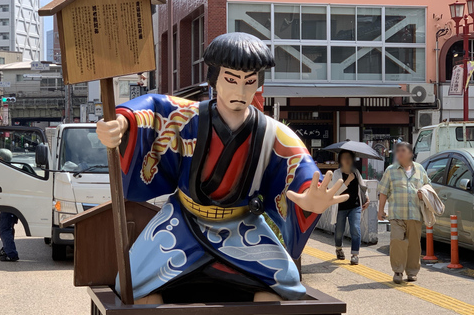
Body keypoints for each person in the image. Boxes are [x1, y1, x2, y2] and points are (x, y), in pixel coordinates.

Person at [97, 32, 348, 303]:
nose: (240, 92)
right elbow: (152, 109)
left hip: (243, 227)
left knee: (285, 289)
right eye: (231, 79)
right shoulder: (186, 117)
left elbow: (298, 167)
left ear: (258, 84)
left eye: (249, 82)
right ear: (214, 78)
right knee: (130, 286)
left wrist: (310, 198)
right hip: (183, 221)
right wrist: (121, 124)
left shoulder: (272, 133)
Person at [378, 142, 430, 284]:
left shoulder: (420, 169)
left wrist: (423, 194)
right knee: (397, 241)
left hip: (415, 214)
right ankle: (398, 271)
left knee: (414, 244)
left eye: (403, 150)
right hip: (396, 214)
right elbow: (383, 191)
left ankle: (412, 272)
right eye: (398, 151)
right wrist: (380, 210)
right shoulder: (390, 170)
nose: (399, 153)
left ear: (410, 153)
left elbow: (428, 186)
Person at [328, 150, 369, 265]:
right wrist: (347, 181)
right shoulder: (336, 173)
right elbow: (335, 192)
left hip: (355, 206)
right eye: (344, 158)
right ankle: (338, 248)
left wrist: (367, 198)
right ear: (340, 160)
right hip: (340, 206)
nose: (347, 160)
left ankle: (355, 254)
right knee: (339, 231)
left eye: (349, 158)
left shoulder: (355, 172)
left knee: (355, 228)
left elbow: (363, 186)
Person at [0, 149, 19, 262]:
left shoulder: (3, 171)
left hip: (7, 204)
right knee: (9, 228)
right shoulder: (12, 169)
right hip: (13, 204)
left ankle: (11, 253)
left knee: (4, 229)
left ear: (1, 159)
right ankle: (6, 249)